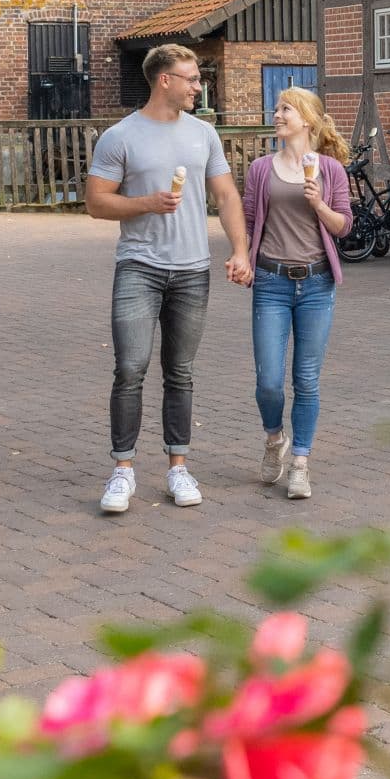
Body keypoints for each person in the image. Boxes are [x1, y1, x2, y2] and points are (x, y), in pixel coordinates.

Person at [82, 43, 251, 514]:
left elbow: (227, 196)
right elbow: (96, 202)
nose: (199, 86)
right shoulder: (120, 136)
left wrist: (240, 250)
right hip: (139, 266)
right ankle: (123, 471)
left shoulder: (204, 134)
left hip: (193, 270)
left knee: (181, 372)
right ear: (165, 80)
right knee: (130, 368)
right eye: (192, 78)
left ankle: (178, 468)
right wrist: (146, 204)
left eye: (199, 78)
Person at [240, 86, 353, 501]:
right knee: (269, 381)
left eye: (285, 108)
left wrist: (319, 203)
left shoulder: (331, 170)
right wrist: (243, 259)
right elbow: (250, 222)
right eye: (277, 108)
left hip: (317, 284)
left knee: (306, 380)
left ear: (305, 119)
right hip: (270, 282)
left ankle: (300, 463)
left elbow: (344, 226)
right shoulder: (260, 169)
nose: (277, 113)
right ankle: (275, 439)